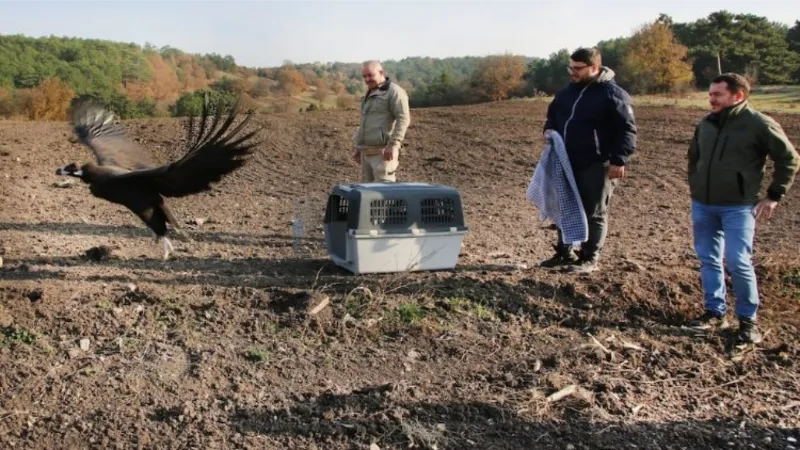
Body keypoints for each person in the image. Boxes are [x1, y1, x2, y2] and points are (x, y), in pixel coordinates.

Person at [686, 72, 799, 344]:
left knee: (738, 261)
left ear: (738, 96)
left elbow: (790, 159)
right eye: (710, 93)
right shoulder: (706, 123)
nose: (711, 99)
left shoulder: (759, 124)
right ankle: (714, 312)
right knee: (708, 259)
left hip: (738, 207)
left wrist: (773, 195)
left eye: (717, 94)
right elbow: (694, 157)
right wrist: (696, 185)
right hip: (704, 205)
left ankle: (748, 321)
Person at [539, 47, 637, 273]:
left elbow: (627, 130)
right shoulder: (567, 92)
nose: (572, 72)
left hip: (597, 162)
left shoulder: (613, 94)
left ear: (594, 67)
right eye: (570, 68)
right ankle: (565, 254)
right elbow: (553, 115)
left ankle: (589, 258)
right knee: (565, 205)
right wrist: (549, 129)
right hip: (567, 160)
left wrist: (619, 160)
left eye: (577, 69)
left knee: (594, 211)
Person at [352, 60, 411, 182]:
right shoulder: (369, 93)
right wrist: (359, 146)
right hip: (366, 153)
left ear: (381, 72)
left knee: (384, 196)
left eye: (370, 75)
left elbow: (403, 119)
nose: (367, 79)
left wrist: (393, 145)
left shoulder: (394, 92)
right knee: (367, 194)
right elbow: (365, 122)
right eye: (364, 76)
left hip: (383, 154)